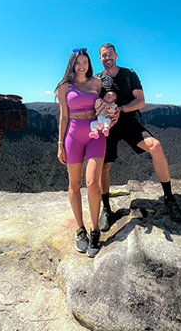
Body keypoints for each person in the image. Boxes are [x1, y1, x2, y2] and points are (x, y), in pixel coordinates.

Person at [96, 43, 181, 230]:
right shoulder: (98, 79)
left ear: (116, 55)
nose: (107, 58)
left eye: (110, 54)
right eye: (103, 55)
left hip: (128, 122)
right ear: (100, 58)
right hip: (107, 126)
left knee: (156, 146)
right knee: (104, 166)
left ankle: (169, 198)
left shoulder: (129, 75)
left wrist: (121, 109)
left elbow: (141, 101)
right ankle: (106, 209)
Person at [56, 48, 105, 257]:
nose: (82, 66)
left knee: (93, 182)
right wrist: (60, 144)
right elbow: (64, 117)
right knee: (74, 184)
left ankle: (95, 230)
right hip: (73, 136)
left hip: (96, 134)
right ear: (72, 65)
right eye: (78, 63)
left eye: (85, 62)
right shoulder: (64, 87)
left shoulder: (97, 83)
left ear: (89, 64)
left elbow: (103, 107)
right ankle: (80, 229)